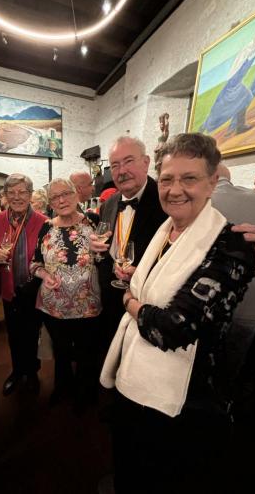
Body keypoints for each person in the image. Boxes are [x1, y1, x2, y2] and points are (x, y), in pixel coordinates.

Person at [100, 133, 255, 494]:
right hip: (133, 379)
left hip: (186, 395)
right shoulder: (166, 229)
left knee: (166, 474)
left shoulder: (231, 245)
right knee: (129, 463)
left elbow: (175, 328)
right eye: (169, 178)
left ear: (212, 184)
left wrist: (129, 302)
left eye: (189, 178)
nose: (175, 189)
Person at [89, 136, 167, 353]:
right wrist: (97, 248)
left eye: (128, 161)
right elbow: (105, 243)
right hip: (111, 298)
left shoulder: (166, 201)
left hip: (147, 303)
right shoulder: (110, 203)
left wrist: (141, 274)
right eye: (115, 165)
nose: (121, 171)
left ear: (146, 162)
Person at [30, 178, 101, 410]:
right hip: (55, 306)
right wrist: (43, 275)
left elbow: (106, 257)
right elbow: (34, 263)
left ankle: (85, 392)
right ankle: (62, 388)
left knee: (86, 352)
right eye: (55, 197)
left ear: (76, 194)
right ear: (50, 202)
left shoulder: (94, 222)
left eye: (66, 194)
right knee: (61, 351)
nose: (61, 200)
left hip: (88, 304)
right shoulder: (46, 227)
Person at [212, 163, 255, 419]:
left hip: (211, 298)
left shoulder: (202, 199)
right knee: (236, 364)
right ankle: (228, 405)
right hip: (254, 300)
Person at [0, 173, 47, 396]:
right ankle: (16, 371)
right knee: (13, 334)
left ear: (30, 195)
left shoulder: (43, 221)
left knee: (32, 333)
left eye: (22, 192)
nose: (17, 197)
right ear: (4, 195)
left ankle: (31, 372)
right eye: (11, 192)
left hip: (33, 289)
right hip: (9, 288)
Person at [200, 23, 255, 136]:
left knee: (231, 100)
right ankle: (209, 124)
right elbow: (241, 60)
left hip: (237, 78)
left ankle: (237, 126)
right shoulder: (253, 44)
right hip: (234, 77)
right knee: (239, 98)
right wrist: (232, 78)